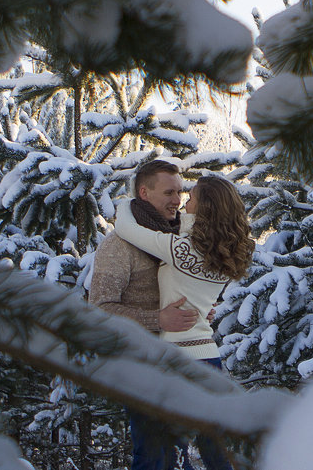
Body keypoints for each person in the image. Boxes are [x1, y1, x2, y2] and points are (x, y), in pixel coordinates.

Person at [113, 173, 255, 470]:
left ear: (204, 210)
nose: (183, 204)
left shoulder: (180, 250)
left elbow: (124, 227)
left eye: (191, 200)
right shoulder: (225, 256)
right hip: (209, 360)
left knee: (162, 456)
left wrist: (128, 201)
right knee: (215, 455)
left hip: (175, 360)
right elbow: (201, 300)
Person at [88, 159, 199, 470]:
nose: (177, 201)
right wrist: (158, 319)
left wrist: (197, 312)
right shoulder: (119, 246)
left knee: (177, 455)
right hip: (140, 362)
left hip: (179, 358)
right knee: (153, 455)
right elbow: (99, 309)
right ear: (144, 192)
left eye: (180, 192)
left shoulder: (176, 241)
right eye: (169, 192)